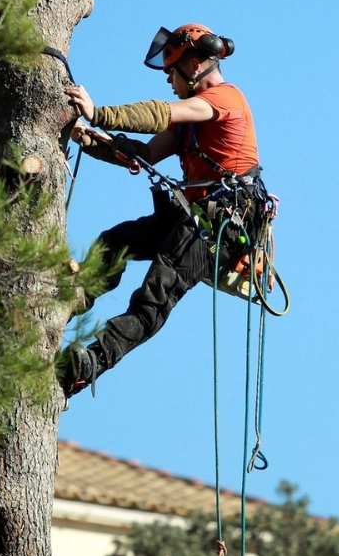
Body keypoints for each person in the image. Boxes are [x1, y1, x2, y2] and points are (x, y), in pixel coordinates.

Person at [59, 23, 262, 399]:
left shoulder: (223, 99)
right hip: (194, 216)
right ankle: (70, 298)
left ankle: (92, 364)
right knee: (115, 242)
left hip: (222, 222)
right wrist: (97, 143)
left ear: (196, 64)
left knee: (156, 292)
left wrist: (98, 113)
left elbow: (157, 114)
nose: (168, 78)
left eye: (172, 70)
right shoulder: (190, 124)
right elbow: (148, 153)